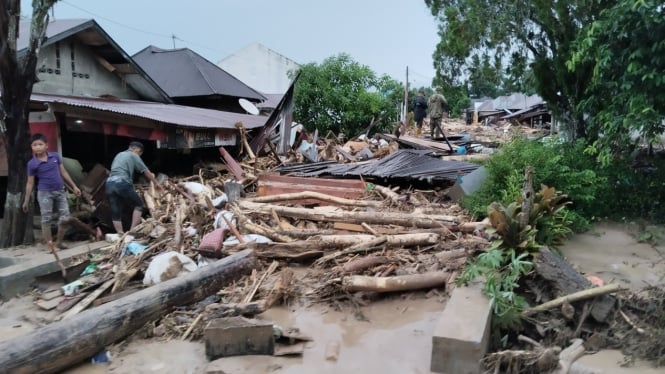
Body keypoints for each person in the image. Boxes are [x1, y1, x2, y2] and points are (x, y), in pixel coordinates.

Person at [23, 133, 81, 249]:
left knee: (65, 217)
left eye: (40, 144)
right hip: (44, 193)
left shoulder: (55, 157)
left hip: (60, 191)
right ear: (31, 147)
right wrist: (26, 200)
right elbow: (30, 183)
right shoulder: (32, 164)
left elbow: (63, 172)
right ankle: (50, 245)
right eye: (35, 145)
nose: (38, 147)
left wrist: (74, 186)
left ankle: (59, 241)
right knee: (46, 218)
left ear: (46, 146)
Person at [106, 141, 163, 234]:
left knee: (116, 210)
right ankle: (132, 231)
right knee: (139, 204)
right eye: (140, 154)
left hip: (109, 183)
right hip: (121, 182)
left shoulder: (119, 154)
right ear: (137, 150)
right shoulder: (133, 155)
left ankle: (120, 234)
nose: (139, 156)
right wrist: (156, 183)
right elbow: (146, 171)